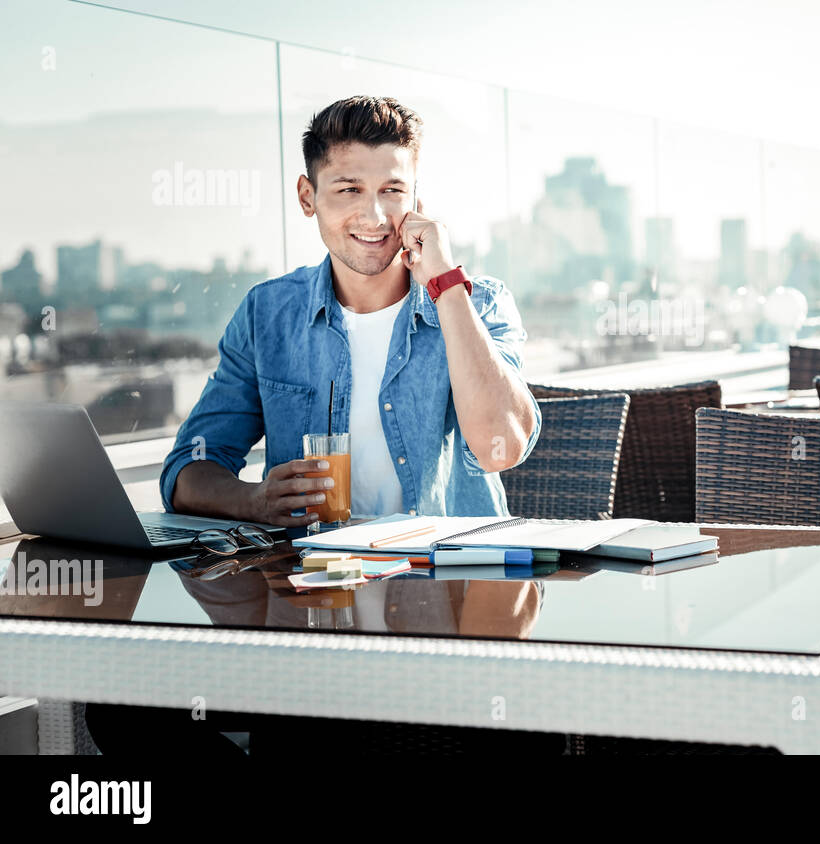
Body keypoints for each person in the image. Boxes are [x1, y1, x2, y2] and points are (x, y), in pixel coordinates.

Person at [85, 95, 545, 754]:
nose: (374, 214)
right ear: (308, 196)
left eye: (393, 190)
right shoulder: (268, 314)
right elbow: (187, 469)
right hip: (315, 593)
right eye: (348, 189)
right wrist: (252, 499)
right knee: (123, 702)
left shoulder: (475, 301)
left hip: (446, 596)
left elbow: (499, 446)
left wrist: (445, 284)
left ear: (417, 201)